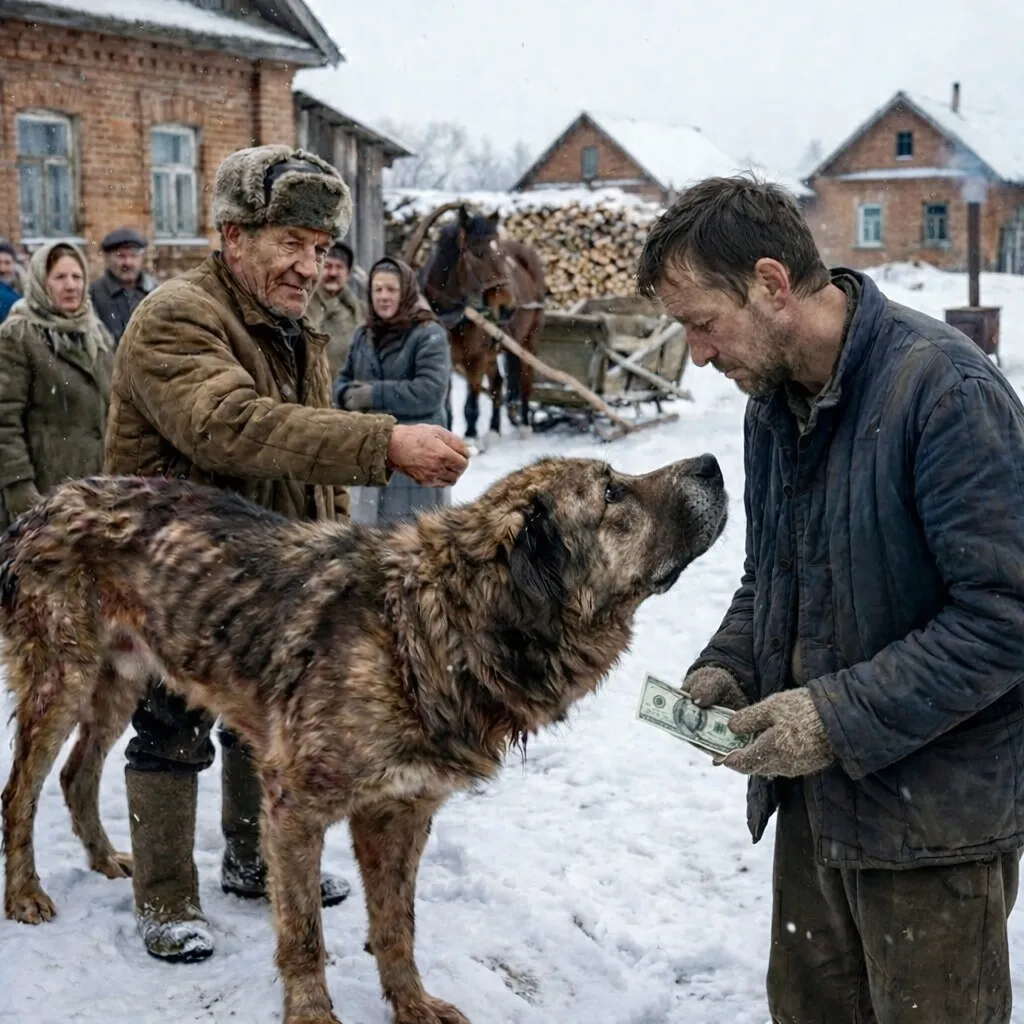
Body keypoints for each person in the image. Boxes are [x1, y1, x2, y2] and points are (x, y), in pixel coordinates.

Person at [637, 175, 1024, 1024]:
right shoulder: (771, 404)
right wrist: (728, 664)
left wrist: (831, 717)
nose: (697, 353)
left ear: (772, 285)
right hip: (816, 810)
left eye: (703, 323)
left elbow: (1006, 619)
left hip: (935, 824)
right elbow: (772, 572)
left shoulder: (944, 394)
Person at [104, 144, 469, 964]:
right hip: (172, 570)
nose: (310, 267)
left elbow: (306, 481)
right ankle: (163, 896)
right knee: (169, 728)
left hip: (271, 574)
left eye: (319, 249)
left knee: (266, 726)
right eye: (291, 244)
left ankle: (248, 860)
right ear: (234, 237)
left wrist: (339, 559)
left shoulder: (294, 329)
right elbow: (227, 424)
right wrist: (386, 442)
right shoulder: (177, 316)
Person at [0, 240, 113, 529]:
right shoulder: (18, 334)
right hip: (42, 492)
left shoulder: (95, 333)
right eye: (60, 277)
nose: (71, 285)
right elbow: (4, 420)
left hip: (92, 493)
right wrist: (19, 489)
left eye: (77, 277)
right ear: (41, 281)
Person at [334, 256, 452, 524]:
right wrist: (344, 395)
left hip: (416, 456)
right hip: (372, 452)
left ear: (406, 292)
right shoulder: (364, 335)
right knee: (369, 545)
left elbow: (430, 392)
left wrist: (373, 394)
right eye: (377, 289)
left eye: (391, 290)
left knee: (413, 543)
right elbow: (342, 381)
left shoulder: (428, 333)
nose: (383, 297)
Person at [89, 227, 158, 345]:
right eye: (121, 256)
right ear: (108, 258)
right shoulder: (94, 293)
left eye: (134, 255)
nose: (128, 263)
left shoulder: (154, 292)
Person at [306, 238, 364, 378]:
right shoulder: (303, 306)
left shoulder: (360, 310)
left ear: (348, 274)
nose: (333, 273)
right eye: (328, 266)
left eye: (339, 267)